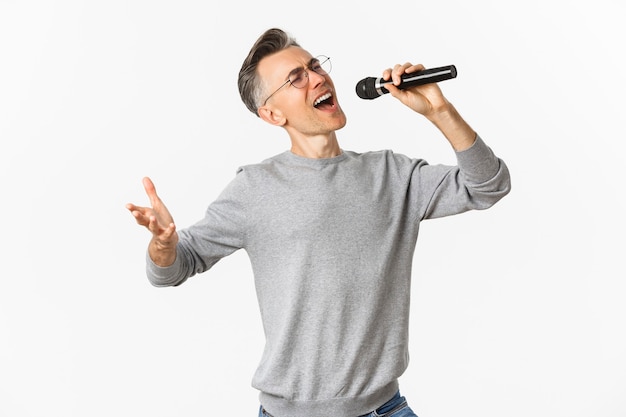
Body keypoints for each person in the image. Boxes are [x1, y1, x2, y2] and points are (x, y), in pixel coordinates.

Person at [126, 27, 511, 417]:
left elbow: (488, 185)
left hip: (383, 409)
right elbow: (172, 270)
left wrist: (439, 112)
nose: (317, 77)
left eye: (314, 66)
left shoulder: (392, 175)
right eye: (296, 78)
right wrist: (163, 244)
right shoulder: (255, 188)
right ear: (272, 114)